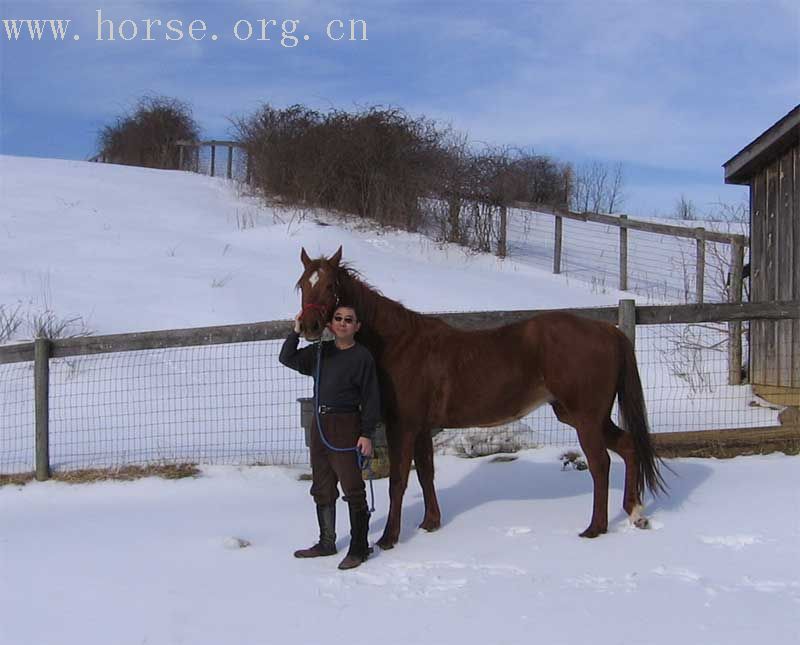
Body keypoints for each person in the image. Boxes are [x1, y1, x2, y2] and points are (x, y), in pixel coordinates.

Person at [279, 304, 380, 570]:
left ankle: (359, 547)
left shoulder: (362, 357)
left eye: (349, 319)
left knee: (352, 488)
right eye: (338, 319)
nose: (343, 323)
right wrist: (296, 332)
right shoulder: (320, 353)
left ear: (357, 326)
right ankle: (327, 542)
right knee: (322, 486)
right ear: (331, 324)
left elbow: (371, 399)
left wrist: (367, 434)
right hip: (319, 424)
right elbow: (287, 358)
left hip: (347, 424)